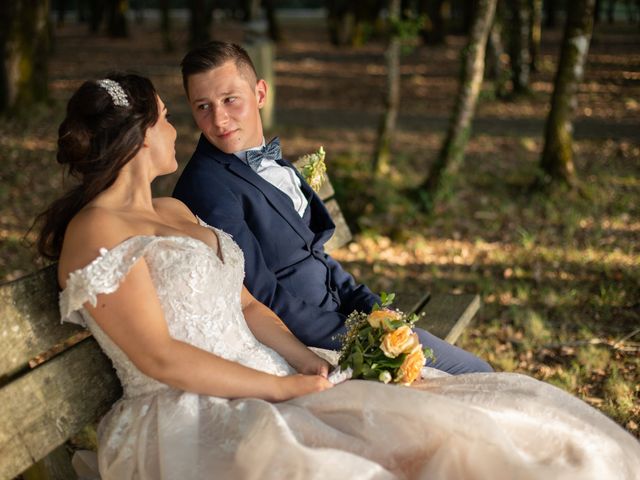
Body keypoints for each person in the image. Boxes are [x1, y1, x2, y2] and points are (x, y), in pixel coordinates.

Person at [38, 74, 639, 479]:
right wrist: (281, 390)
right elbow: (161, 357)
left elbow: (247, 307)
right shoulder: (97, 232)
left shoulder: (171, 210)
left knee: (464, 416)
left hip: (268, 376)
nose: (176, 130)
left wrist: (304, 361)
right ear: (141, 135)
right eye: (168, 119)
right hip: (191, 412)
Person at [172, 41, 491, 374]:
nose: (219, 119)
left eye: (229, 100)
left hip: (343, 317)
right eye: (203, 107)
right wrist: (362, 338)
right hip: (301, 343)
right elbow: (262, 296)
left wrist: (377, 312)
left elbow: (317, 257)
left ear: (260, 94)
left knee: (477, 372)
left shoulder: (270, 164)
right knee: (476, 374)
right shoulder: (208, 187)